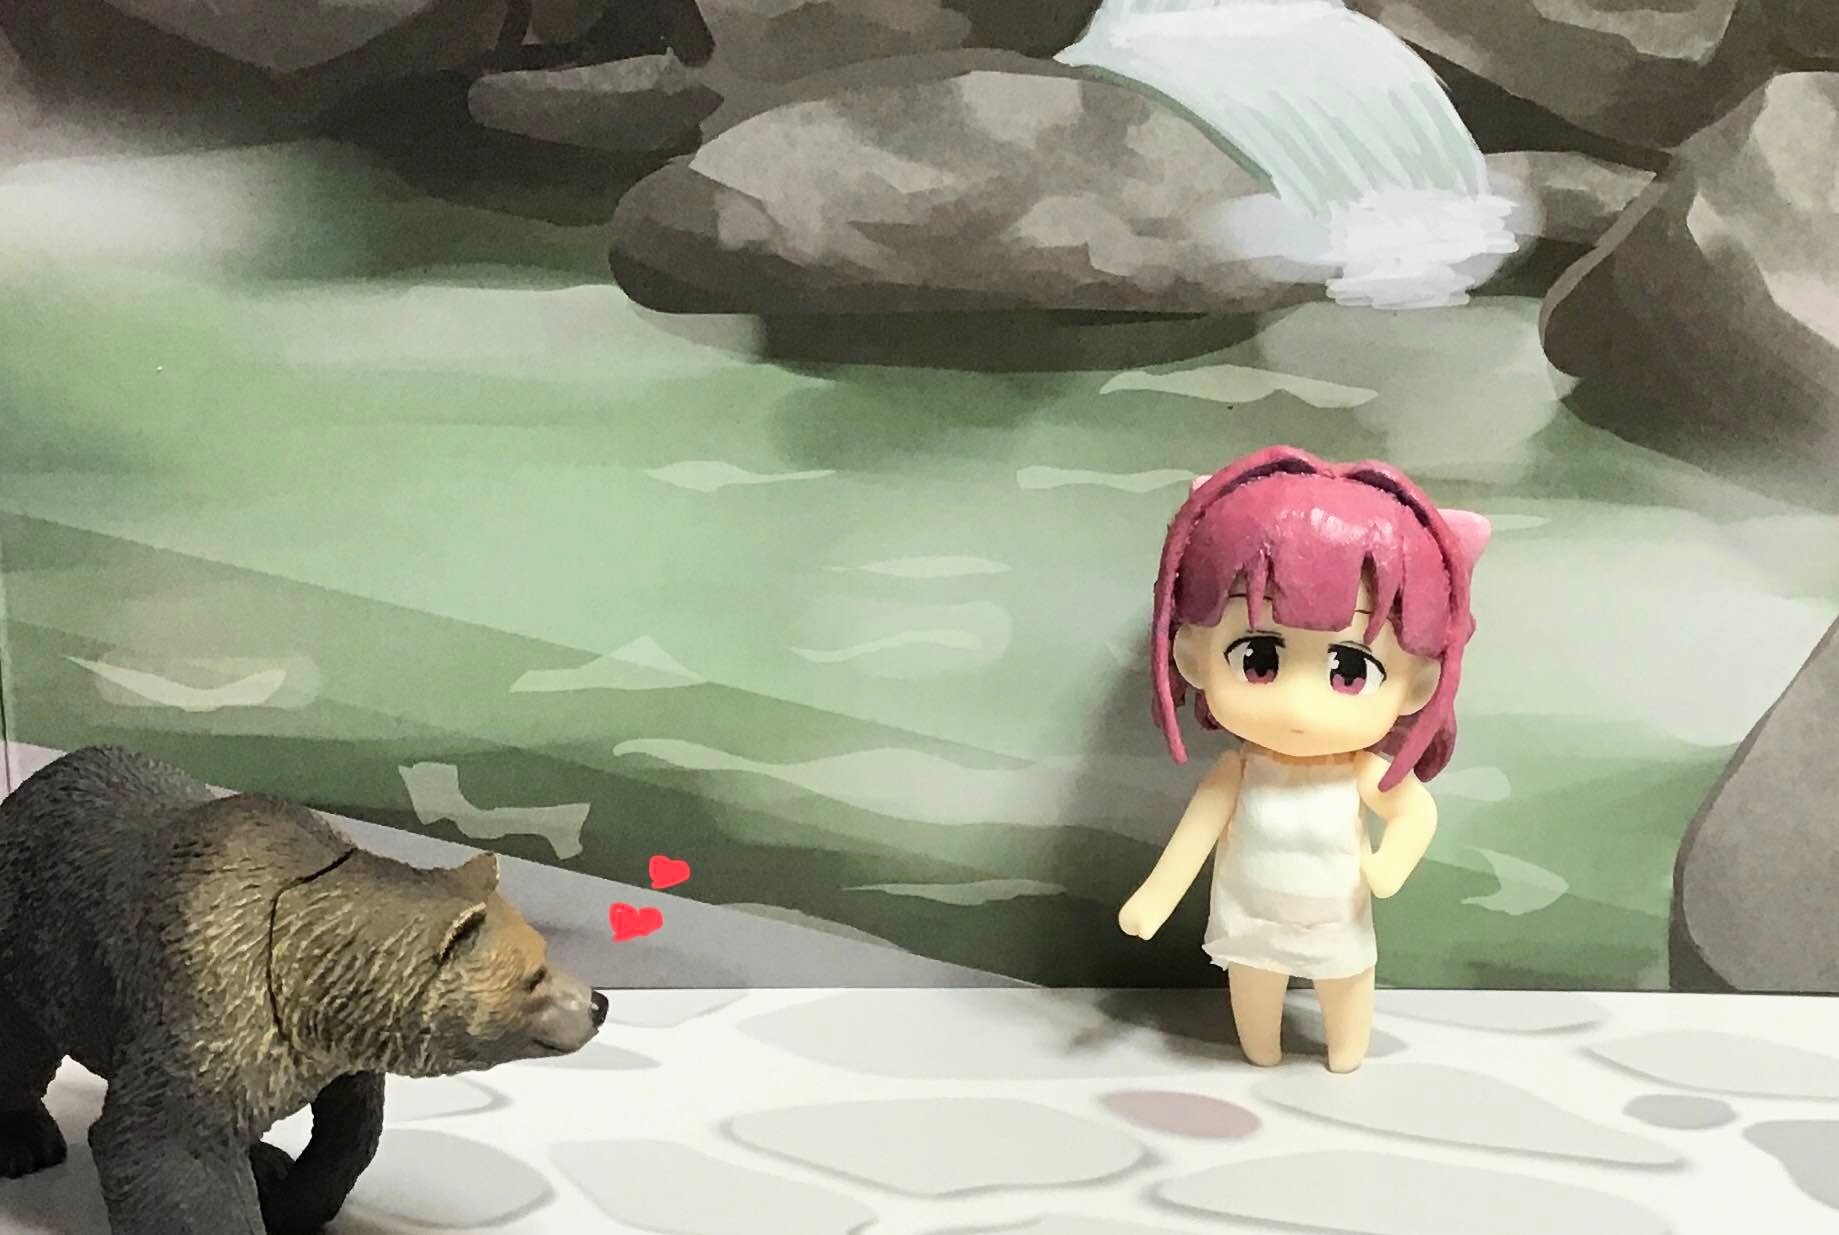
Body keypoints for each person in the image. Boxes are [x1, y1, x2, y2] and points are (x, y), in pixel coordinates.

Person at [1119, 445, 1489, 1072]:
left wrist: (1389, 865)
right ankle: (1261, 1047)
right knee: (1253, 985)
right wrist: (1156, 897)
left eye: (1350, 670)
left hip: (1336, 921)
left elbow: (1414, 813)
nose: (1298, 705)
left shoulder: (1360, 773)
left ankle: (1346, 1048)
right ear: (1191, 656)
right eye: (1258, 659)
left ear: (1418, 686)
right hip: (1250, 920)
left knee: (1345, 986)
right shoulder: (1239, 772)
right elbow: (1194, 837)